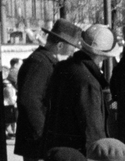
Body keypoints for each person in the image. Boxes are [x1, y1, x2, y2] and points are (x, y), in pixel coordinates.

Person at [15, 19, 82, 161]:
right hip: (39, 142)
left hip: (43, 140)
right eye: (72, 47)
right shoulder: (40, 63)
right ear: (60, 45)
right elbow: (30, 101)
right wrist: (44, 134)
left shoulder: (46, 61)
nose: (73, 51)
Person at [42, 24, 118, 154]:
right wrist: (99, 156)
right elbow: (92, 129)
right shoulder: (89, 81)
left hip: (55, 148)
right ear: (104, 56)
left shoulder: (62, 67)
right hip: (77, 154)